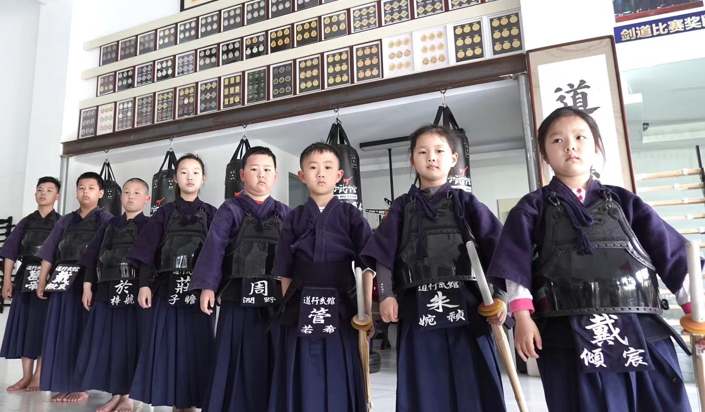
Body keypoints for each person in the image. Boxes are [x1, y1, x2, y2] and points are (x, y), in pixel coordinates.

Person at [487, 107, 694, 412]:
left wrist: (697, 312)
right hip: (566, 331)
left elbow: (673, 255)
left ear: (596, 147)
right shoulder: (532, 207)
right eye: (557, 140)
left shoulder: (624, 201)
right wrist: (522, 318)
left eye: (579, 137)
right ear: (544, 155)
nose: (569, 146)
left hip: (639, 327)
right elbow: (514, 263)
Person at [359, 125, 506, 412]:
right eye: (423, 152)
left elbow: (500, 251)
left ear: (453, 158)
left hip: (469, 306)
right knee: (424, 383)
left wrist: (501, 297)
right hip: (417, 306)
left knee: (474, 380)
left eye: (439, 151)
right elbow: (383, 255)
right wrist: (386, 295)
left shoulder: (467, 203)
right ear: (413, 161)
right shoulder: (402, 207)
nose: (431, 157)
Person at [271, 142, 374, 412]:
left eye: (328, 168)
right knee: (301, 365)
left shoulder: (351, 215)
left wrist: (365, 310)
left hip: (343, 301)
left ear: (339, 175)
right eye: (313, 167)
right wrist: (290, 307)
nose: (320, 173)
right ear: (302, 175)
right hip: (301, 299)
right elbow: (285, 270)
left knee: (341, 363)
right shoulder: (294, 217)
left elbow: (366, 266)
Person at [189, 146, 292, 412]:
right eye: (254, 169)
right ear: (242, 175)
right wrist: (207, 287)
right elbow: (215, 246)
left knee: (275, 352)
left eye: (267, 170)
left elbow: (296, 254)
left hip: (276, 297)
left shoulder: (286, 212)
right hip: (237, 294)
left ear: (275, 176)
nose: (261, 175)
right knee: (233, 352)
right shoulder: (230, 209)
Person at [128, 154, 217, 412]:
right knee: (167, 347)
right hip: (166, 290)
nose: (190, 177)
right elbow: (147, 250)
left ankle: (193, 404)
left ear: (203, 178)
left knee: (198, 347)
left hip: (199, 292)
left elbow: (219, 253)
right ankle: (176, 403)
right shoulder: (164, 212)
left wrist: (212, 287)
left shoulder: (212, 213)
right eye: (184, 172)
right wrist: (144, 284)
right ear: (175, 178)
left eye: (195, 172)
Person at [36, 172, 114, 403]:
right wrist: (42, 280)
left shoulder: (106, 219)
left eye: (91, 188)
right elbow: (50, 252)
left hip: (89, 282)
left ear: (100, 193)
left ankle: (82, 386)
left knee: (84, 333)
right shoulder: (66, 220)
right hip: (61, 280)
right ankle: (64, 383)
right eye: (81, 187)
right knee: (62, 332)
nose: (85, 192)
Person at [77, 178, 150, 412]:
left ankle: (130, 396)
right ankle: (116, 394)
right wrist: (87, 286)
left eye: (136, 193)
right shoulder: (109, 225)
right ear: (120, 197)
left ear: (147, 199)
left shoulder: (150, 224)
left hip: (135, 293)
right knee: (111, 344)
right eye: (126, 192)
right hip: (107, 291)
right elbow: (92, 256)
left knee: (132, 344)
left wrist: (145, 287)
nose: (131, 196)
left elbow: (150, 259)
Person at [0, 176, 61, 392]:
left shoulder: (62, 222)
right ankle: (26, 375)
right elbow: (10, 252)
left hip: (48, 280)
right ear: (35, 194)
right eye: (40, 189)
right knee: (25, 325)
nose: (43, 193)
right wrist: (7, 280)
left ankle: (39, 376)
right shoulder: (26, 222)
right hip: (24, 277)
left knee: (43, 326)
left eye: (49, 190)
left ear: (57, 196)